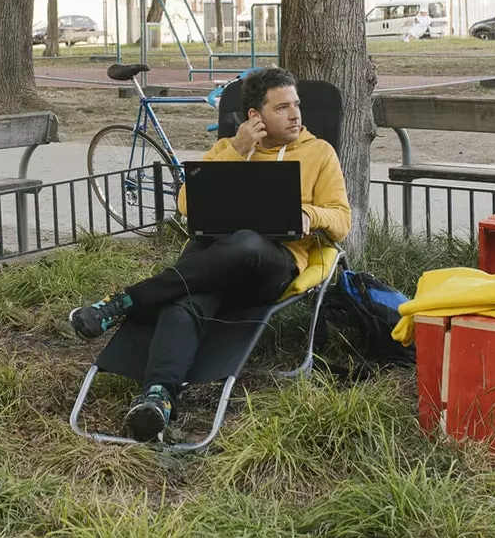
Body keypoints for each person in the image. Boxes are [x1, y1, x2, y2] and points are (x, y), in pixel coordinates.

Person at [69, 67, 351, 441]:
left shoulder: (319, 152)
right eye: (282, 108)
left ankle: (127, 300)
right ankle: (158, 400)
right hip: (213, 263)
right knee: (183, 303)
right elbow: (187, 203)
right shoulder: (227, 149)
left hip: (270, 265)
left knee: (246, 243)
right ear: (256, 117)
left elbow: (342, 218)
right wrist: (237, 150)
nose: (296, 114)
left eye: (296, 105)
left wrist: (309, 214)